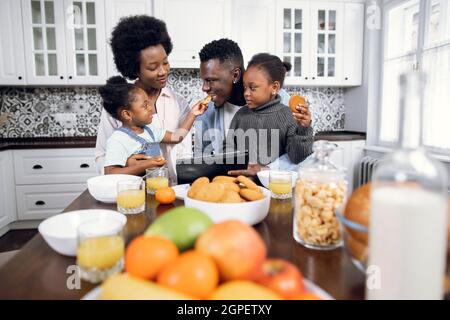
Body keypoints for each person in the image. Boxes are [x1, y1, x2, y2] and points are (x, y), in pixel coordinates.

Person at [94, 15, 194, 181]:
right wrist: (126, 162)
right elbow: (101, 156)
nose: (163, 71)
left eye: (165, 62)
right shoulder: (119, 104)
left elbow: (183, 151)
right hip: (131, 191)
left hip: (170, 190)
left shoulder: (178, 103)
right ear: (134, 69)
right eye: (153, 67)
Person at [195, 39, 312, 175]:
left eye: (210, 80)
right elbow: (201, 158)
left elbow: (303, 156)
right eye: (203, 80)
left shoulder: (282, 101)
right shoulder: (206, 111)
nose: (204, 88)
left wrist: (266, 170)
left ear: (235, 75)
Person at [99, 76, 207, 175]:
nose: (151, 108)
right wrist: (146, 165)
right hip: (136, 192)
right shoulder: (118, 140)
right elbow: (111, 172)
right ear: (127, 114)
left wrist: (193, 113)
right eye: (145, 106)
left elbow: (177, 137)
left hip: (156, 187)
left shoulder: (150, 131)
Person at [225, 53, 313, 166]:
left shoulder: (288, 116)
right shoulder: (240, 115)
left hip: (274, 182)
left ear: (274, 87)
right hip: (242, 180)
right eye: (245, 87)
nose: (246, 93)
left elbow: (298, 157)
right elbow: (228, 147)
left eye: (252, 88)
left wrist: (303, 129)